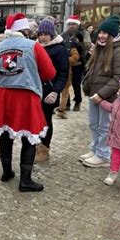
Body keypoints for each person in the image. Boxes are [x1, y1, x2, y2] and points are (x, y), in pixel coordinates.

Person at [0, 14, 56, 192]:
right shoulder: (34, 46)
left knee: (6, 134)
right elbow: (49, 73)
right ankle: (25, 180)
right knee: (28, 137)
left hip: (1, 96)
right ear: (25, 31)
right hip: (25, 96)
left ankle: (7, 172)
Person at [81, 15, 120, 168]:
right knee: (93, 124)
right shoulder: (100, 48)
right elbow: (92, 70)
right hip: (94, 94)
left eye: (105, 33)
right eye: (100, 32)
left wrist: (102, 94)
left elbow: (119, 77)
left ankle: (103, 154)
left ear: (112, 35)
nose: (101, 35)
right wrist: (87, 86)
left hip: (107, 96)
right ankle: (95, 149)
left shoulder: (119, 51)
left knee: (105, 126)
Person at [35, 19, 69, 162]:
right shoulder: (35, 46)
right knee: (36, 119)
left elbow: (63, 73)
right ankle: (36, 143)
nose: (43, 37)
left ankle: (44, 148)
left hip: (49, 90)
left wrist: (56, 91)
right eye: (41, 34)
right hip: (35, 89)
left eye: (46, 34)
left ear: (52, 34)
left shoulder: (59, 49)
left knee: (46, 120)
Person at [60, 15, 90, 111]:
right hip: (66, 62)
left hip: (78, 63)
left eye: (73, 24)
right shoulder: (64, 34)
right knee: (65, 83)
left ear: (77, 25)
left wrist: (81, 42)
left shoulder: (84, 33)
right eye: (69, 24)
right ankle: (67, 103)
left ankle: (78, 101)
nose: (71, 26)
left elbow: (88, 46)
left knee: (76, 84)